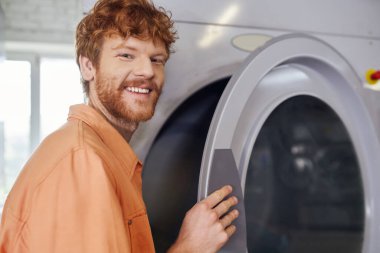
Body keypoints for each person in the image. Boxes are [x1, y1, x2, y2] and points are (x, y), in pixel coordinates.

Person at [0, 0, 239, 252]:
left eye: (157, 59)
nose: (147, 70)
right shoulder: (82, 161)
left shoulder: (100, 154)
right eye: (126, 55)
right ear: (88, 66)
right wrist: (189, 247)